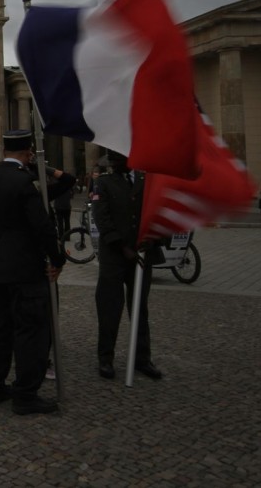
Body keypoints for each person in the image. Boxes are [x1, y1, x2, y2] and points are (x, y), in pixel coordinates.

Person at [0, 129, 64, 415]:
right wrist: (57, 258)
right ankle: (26, 394)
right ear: (27, 154)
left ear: (3, 152)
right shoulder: (25, 182)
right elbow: (42, 226)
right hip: (25, 263)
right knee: (31, 328)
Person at [93, 150, 163, 382]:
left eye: (117, 159)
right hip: (115, 256)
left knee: (139, 309)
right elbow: (102, 218)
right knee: (109, 309)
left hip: (142, 256)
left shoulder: (146, 181)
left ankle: (142, 358)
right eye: (111, 160)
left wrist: (150, 239)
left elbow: (157, 213)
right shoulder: (103, 183)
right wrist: (123, 247)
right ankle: (105, 357)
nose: (113, 164)